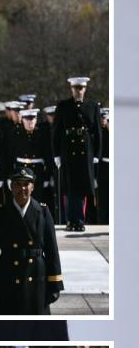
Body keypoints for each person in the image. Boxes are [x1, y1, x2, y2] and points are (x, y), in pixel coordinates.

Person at [0, 167, 63, 314]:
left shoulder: (43, 212)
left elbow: (52, 250)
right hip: (8, 276)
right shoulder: (0, 213)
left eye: (26, 184)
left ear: (32, 187)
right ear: (11, 187)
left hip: (36, 277)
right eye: (18, 184)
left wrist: (55, 282)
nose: (22, 188)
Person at [51, 76, 103, 232]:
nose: (78, 90)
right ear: (71, 89)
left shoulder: (92, 106)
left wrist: (96, 154)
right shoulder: (63, 105)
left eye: (81, 88)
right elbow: (56, 131)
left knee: (82, 187)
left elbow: (97, 132)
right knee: (70, 187)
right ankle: (71, 220)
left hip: (85, 150)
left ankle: (79, 220)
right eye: (75, 88)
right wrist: (56, 154)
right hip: (68, 150)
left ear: (85, 89)